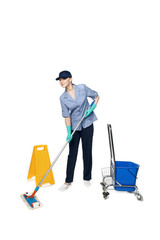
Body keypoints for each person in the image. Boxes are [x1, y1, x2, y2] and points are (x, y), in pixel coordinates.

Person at [56, 70, 100, 191]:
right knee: (72, 154)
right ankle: (68, 181)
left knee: (87, 151)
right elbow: (66, 116)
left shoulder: (82, 88)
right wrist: (69, 132)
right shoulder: (63, 98)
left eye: (63, 79)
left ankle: (87, 178)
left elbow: (96, 96)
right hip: (75, 126)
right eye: (59, 80)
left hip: (87, 123)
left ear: (70, 79)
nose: (61, 82)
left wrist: (92, 107)